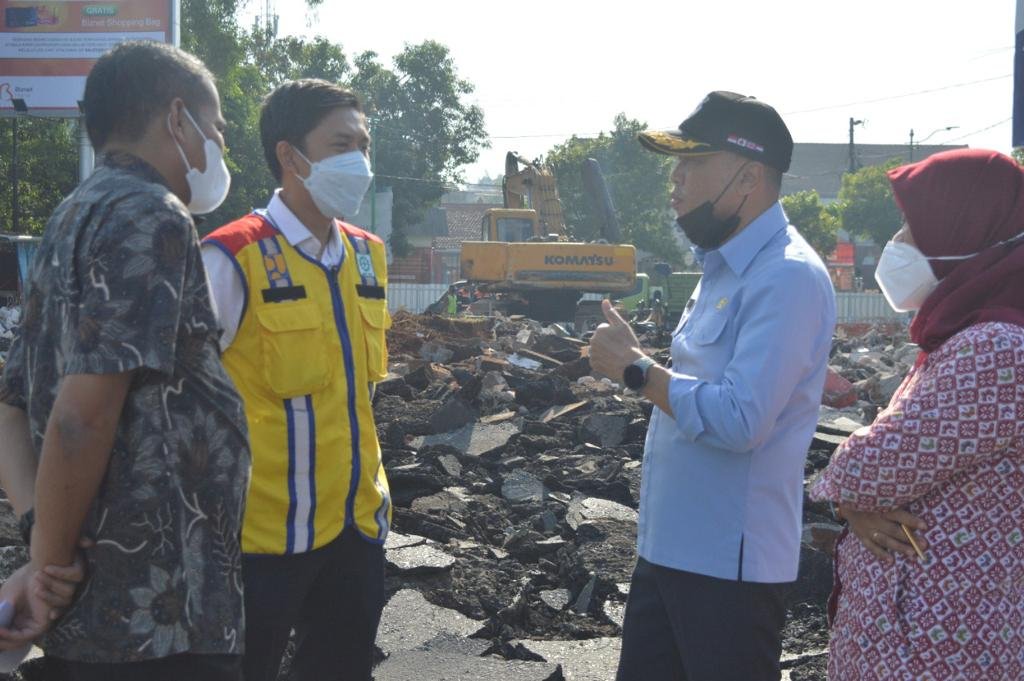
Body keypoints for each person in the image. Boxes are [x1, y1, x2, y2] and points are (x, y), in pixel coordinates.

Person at [0, 41, 250, 680]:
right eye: (216, 127)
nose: (219, 145)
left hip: (110, 617)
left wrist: (41, 545)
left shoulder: (73, 214)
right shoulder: (151, 215)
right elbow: (80, 419)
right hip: (156, 619)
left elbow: (11, 405)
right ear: (177, 119)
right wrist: (49, 567)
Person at [588, 91, 836, 681]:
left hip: (729, 572)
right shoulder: (723, 266)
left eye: (693, 162)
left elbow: (741, 421)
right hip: (671, 551)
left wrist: (635, 370)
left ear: (748, 177)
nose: (675, 179)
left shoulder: (786, 276)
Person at [202, 79, 391, 681]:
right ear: (290, 155)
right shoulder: (230, 257)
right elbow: (179, 403)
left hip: (356, 530)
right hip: (260, 540)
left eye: (364, 144)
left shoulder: (369, 256)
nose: (359, 161)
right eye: (342, 144)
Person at [810, 148, 1024, 680]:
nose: (898, 242)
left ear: (964, 230)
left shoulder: (995, 349)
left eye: (911, 225)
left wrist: (846, 493)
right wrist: (853, 503)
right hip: (921, 633)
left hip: (941, 646)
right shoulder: (964, 337)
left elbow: (868, 468)